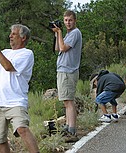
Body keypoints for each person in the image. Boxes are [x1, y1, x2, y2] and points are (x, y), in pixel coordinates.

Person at [0, 24, 40, 153]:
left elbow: (8, 67)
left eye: (14, 34)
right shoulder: (5, 52)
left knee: (22, 129)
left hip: (15, 101)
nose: (10, 36)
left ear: (23, 38)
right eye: (10, 33)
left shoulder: (27, 54)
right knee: (0, 140)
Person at [52, 10, 82, 142]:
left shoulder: (75, 33)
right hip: (64, 70)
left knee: (69, 102)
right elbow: (57, 48)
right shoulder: (69, 34)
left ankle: (72, 130)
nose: (68, 23)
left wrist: (59, 33)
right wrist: (57, 34)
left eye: (70, 20)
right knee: (66, 101)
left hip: (68, 71)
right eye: (66, 20)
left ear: (75, 20)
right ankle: (69, 127)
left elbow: (63, 48)